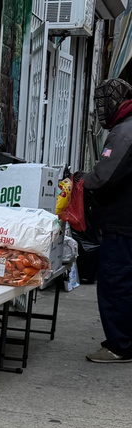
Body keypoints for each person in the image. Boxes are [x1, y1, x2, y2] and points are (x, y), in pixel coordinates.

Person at [84, 77, 132, 363]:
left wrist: (82, 181)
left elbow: (104, 178)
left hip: (123, 225)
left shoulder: (124, 132)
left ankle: (119, 345)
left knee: (116, 284)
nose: (101, 110)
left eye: (104, 103)